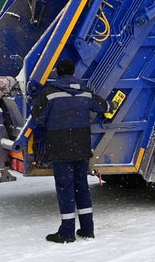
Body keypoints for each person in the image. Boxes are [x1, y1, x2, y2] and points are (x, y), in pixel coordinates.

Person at [31, 58, 115, 243]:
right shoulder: (85, 92)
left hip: (59, 147)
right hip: (81, 147)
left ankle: (67, 232)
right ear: (73, 72)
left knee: (65, 187)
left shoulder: (49, 94)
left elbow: (38, 117)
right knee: (82, 186)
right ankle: (87, 229)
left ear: (58, 73)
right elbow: (105, 107)